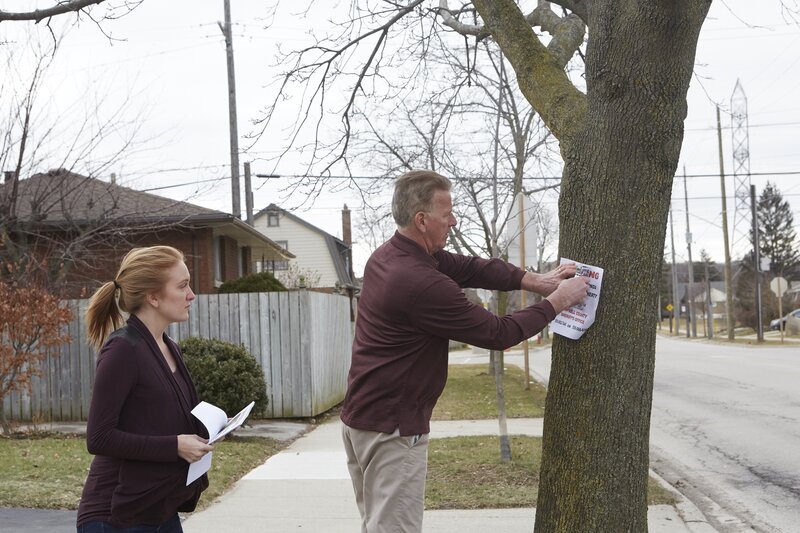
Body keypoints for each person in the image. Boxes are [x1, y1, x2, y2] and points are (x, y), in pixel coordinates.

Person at [340, 170, 589, 533]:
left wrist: (531, 280)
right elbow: (497, 333)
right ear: (422, 220)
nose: (454, 222)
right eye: (447, 214)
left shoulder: (390, 256)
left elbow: (473, 267)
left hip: (363, 421)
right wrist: (556, 303)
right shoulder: (421, 282)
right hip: (392, 430)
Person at [77, 245, 212, 533]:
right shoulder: (123, 349)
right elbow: (99, 438)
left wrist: (211, 430)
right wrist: (175, 445)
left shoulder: (168, 348)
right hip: (116, 514)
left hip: (157, 506)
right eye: (183, 286)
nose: (192, 295)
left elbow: (159, 420)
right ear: (152, 296)